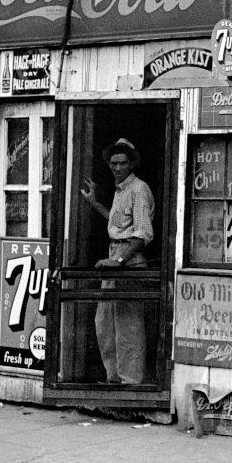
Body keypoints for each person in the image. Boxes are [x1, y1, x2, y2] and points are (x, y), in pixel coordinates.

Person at [80, 137, 154, 385]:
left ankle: (130, 381)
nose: (117, 168)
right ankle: (113, 378)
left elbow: (142, 234)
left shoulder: (138, 189)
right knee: (105, 322)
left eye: (122, 163)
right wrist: (94, 203)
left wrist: (120, 260)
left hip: (129, 262)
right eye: (113, 163)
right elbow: (117, 227)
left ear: (131, 164)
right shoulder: (120, 190)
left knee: (128, 325)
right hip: (115, 259)